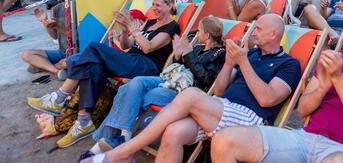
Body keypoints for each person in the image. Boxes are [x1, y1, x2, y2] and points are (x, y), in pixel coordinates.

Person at [90, 14, 301, 163]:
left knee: (190, 95)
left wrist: (243, 62)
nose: (253, 33)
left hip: (251, 120)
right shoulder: (252, 55)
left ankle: (124, 152)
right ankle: (122, 148)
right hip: (223, 108)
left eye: (258, 29)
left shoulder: (289, 65)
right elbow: (219, 91)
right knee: (173, 132)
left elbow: (267, 99)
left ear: (274, 34)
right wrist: (229, 63)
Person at [211, 4, 343, 163]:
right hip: (305, 138)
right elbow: (302, 110)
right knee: (223, 141)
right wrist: (322, 88)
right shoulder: (333, 59)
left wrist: (338, 79)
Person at [28, 0, 180, 147]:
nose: (154, 8)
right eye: (153, 4)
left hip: (146, 66)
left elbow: (148, 48)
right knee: (93, 66)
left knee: (94, 47)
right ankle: (83, 121)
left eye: (158, 5)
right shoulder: (149, 23)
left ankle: (59, 97)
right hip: (131, 60)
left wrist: (133, 29)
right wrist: (124, 31)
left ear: (170, 6)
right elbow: (126, 46)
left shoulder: (171, 27)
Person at [87, 16, 226, 154]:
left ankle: (101, 146)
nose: (197, 34)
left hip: (181, 90)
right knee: (135, 83)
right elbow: (179, 67)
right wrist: (177, 56)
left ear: (207, 35)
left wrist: (188, 54)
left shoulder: (219, 54)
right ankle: (123, 137)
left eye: (200, 31)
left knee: (129, 92)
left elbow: (206, 79)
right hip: (168, 78)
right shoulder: (198, 48)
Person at [21, 0, 72, 79]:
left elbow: (78, 37)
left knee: (33, 66)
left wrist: (57, 25)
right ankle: (56, 71)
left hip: (75, 53)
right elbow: (55, 37)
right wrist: (44, 21)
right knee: (26, 54)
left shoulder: (78, 7)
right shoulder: (57, 8)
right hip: (62, 52)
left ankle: (46, 67)